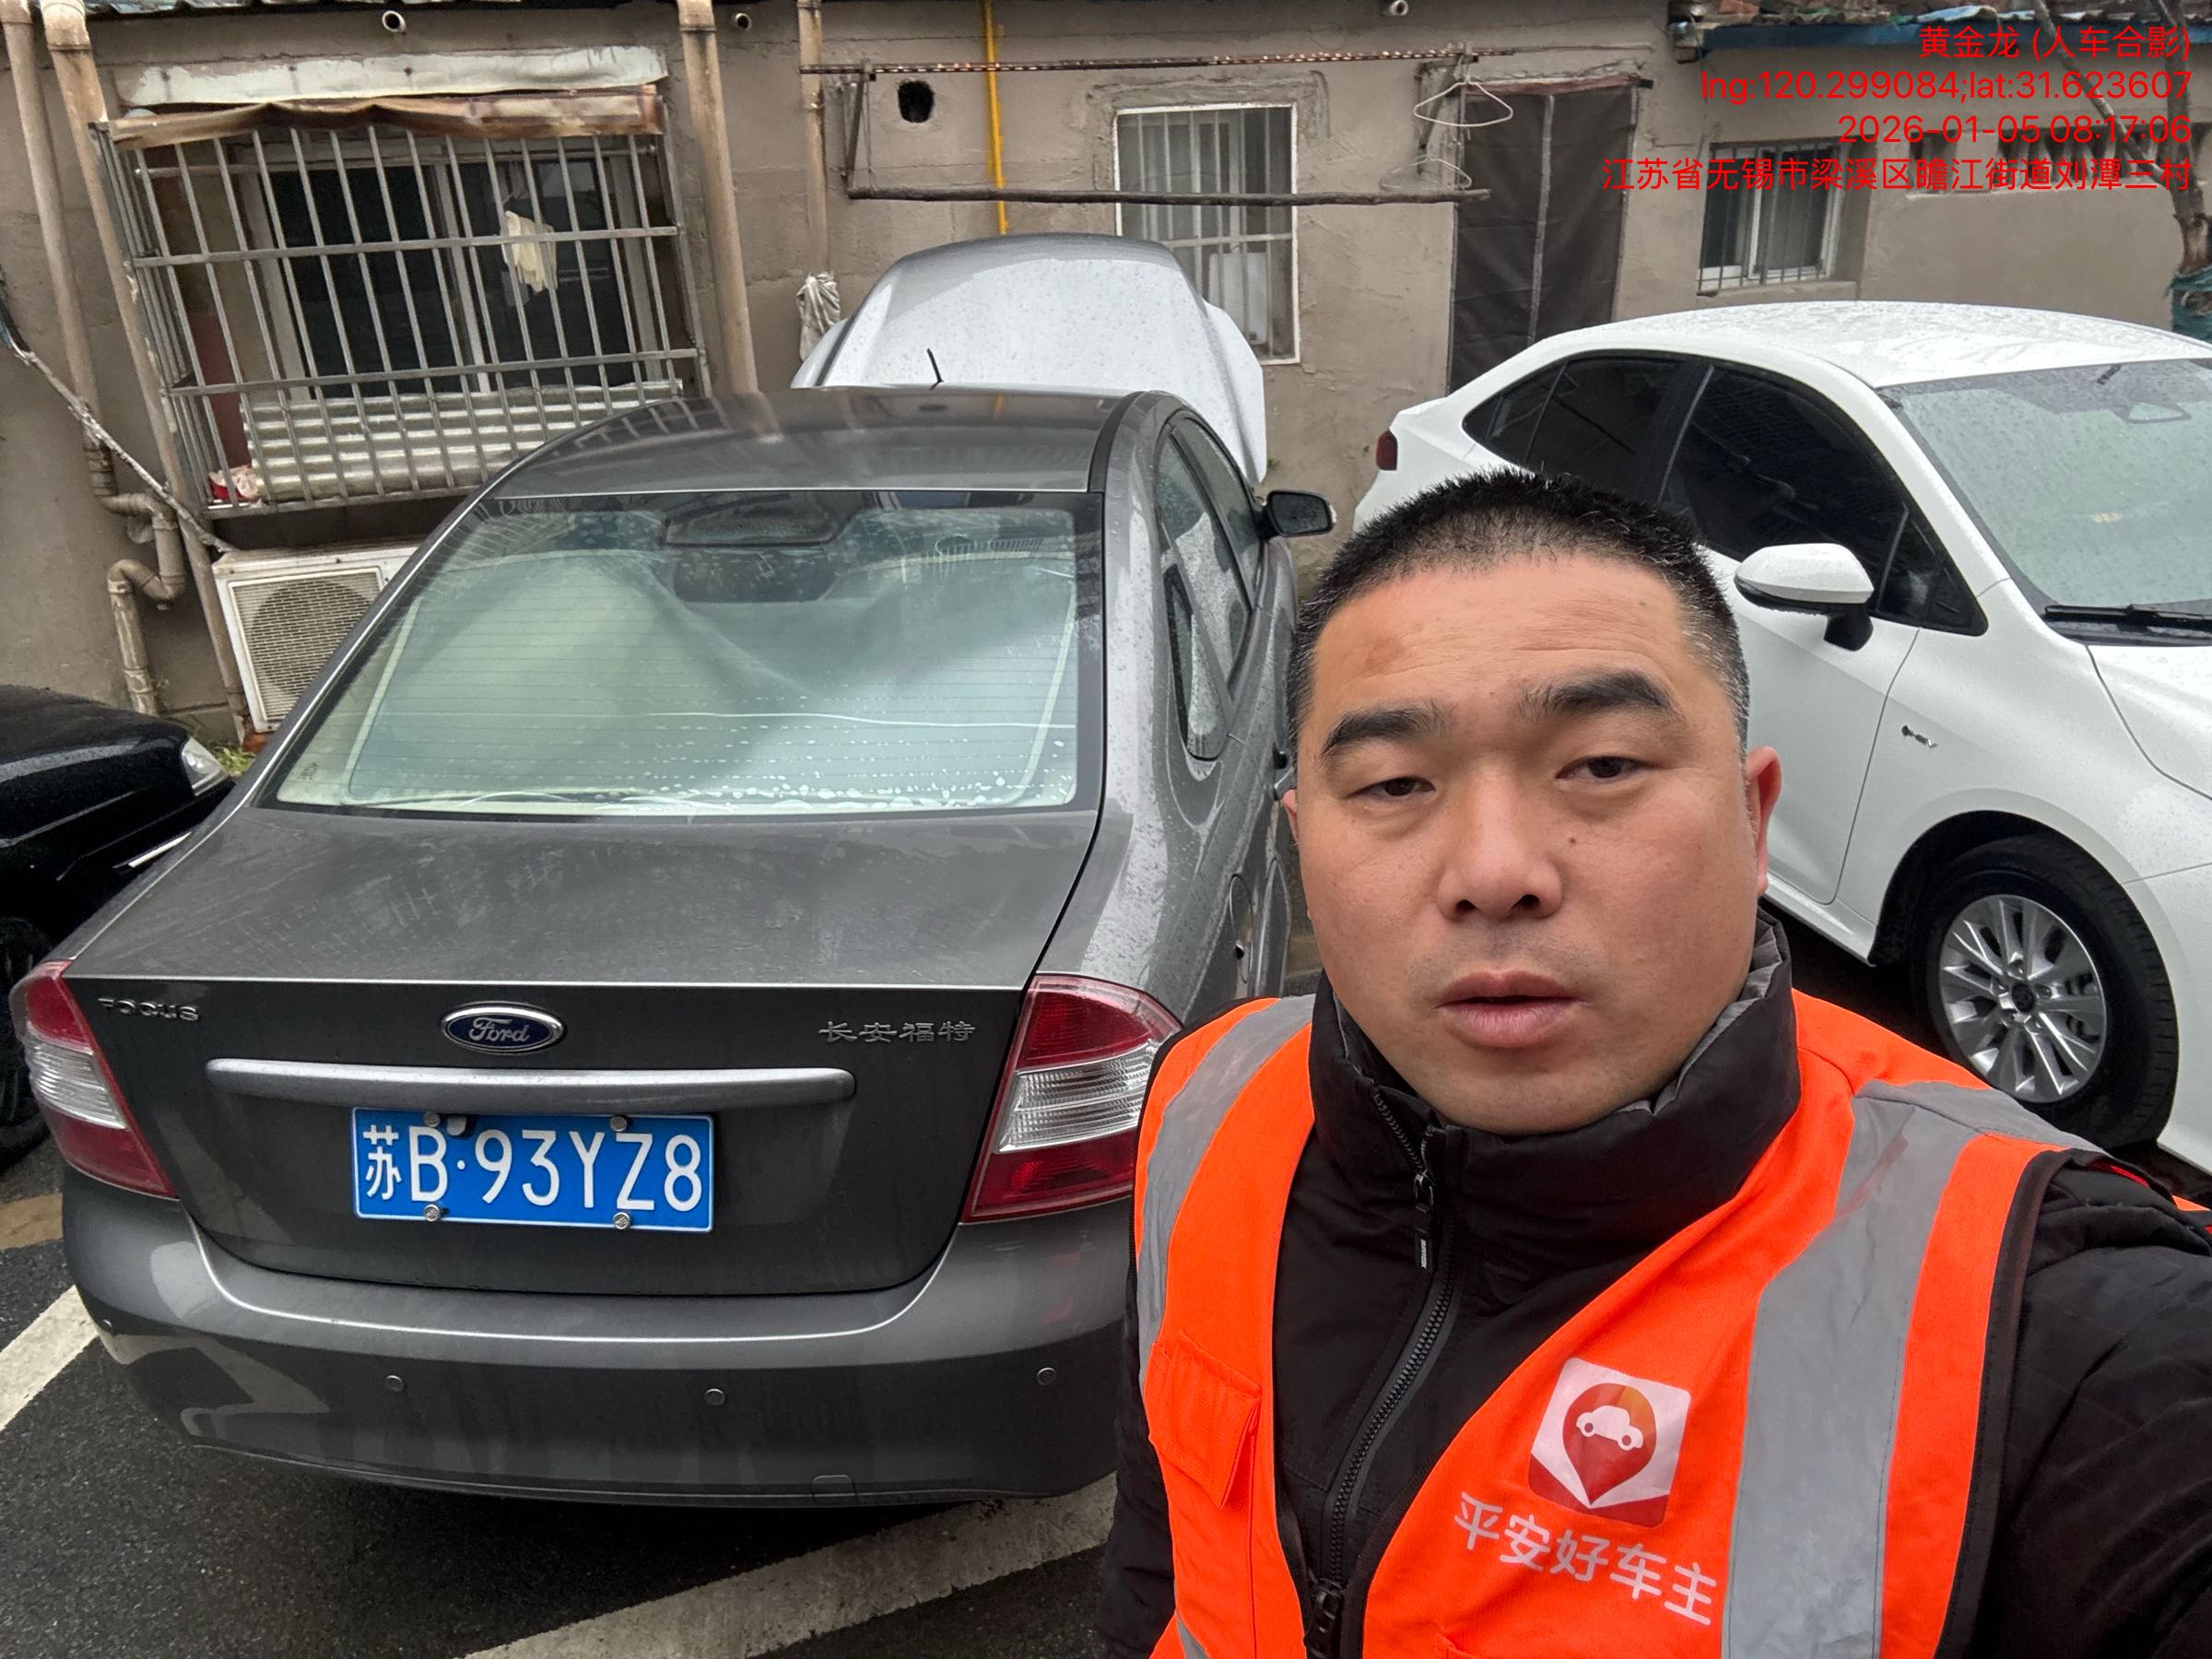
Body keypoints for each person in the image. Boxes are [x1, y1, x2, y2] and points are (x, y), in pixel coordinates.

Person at [1098, 469, 2212, 1658]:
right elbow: (1161, 1561)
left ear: (1753, 821)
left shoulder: (2061, 1317)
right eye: (1394, 784)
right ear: (1302, 843)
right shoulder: (1209, 1099)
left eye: (1603, 766)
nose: (1494, 872)